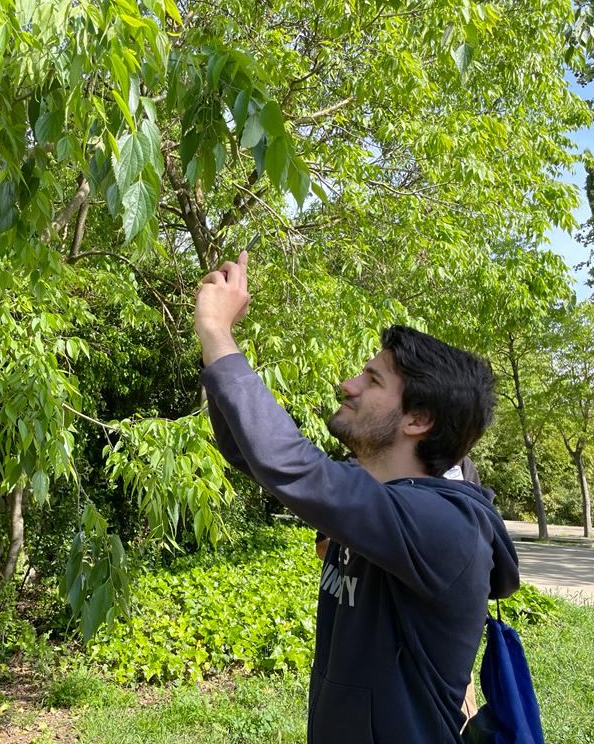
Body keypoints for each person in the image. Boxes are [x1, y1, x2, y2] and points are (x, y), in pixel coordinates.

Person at [193, 252, 519, 744]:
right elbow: (252, 455)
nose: (348, 385)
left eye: (373, 379)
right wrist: (211, 349)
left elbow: (290, 464)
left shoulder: (444, 524)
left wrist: (219, 334)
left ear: (418, 419)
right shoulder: (382, 499)